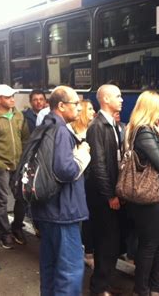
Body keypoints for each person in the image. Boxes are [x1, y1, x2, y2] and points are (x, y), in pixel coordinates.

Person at [31, 86, 91, 295]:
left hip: (46, 210)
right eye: (75, 104)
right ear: (61, 106)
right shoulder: (62, 131)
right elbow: (65, 170)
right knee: (70, 270)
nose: (79, 108)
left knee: (49, 266)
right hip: (63, 211)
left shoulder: (45, 126)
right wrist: (83, 154)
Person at [125, 91, 159, 296]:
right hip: (148, 196)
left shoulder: (145, 129)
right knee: (150, 245)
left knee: (158, 241)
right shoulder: (144, 131)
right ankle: (141, 289)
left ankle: (156, 285)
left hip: (153, 195)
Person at [0, 84, 30, 249]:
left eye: (12, 97)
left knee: (21, 198)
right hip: (1, 166)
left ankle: (17, 227)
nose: (12, 100)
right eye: (8, 97)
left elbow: (25, 138)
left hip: (18, 165)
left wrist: (24, 159)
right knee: (2, 200)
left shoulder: (19, 116)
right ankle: (5, 232)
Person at [86, 84, 124, 296]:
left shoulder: (114, 125)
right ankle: (98, 288)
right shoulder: (97, 126)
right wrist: (109, 195)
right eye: (118, 96)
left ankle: (106, 281)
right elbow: (98, 165)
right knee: (104, 241)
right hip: (103, 197)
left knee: (113, 241)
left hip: (113, 193)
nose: (122, 99)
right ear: (106, 99)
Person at [70, 99, 96, 269]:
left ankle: (89, 250)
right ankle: (85, 253)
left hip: (91, 179)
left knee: (90, 217)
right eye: (91, 109)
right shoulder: (73, 133)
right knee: (82, 218)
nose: (94, 112)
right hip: (81, 179)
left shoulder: (93, 130)